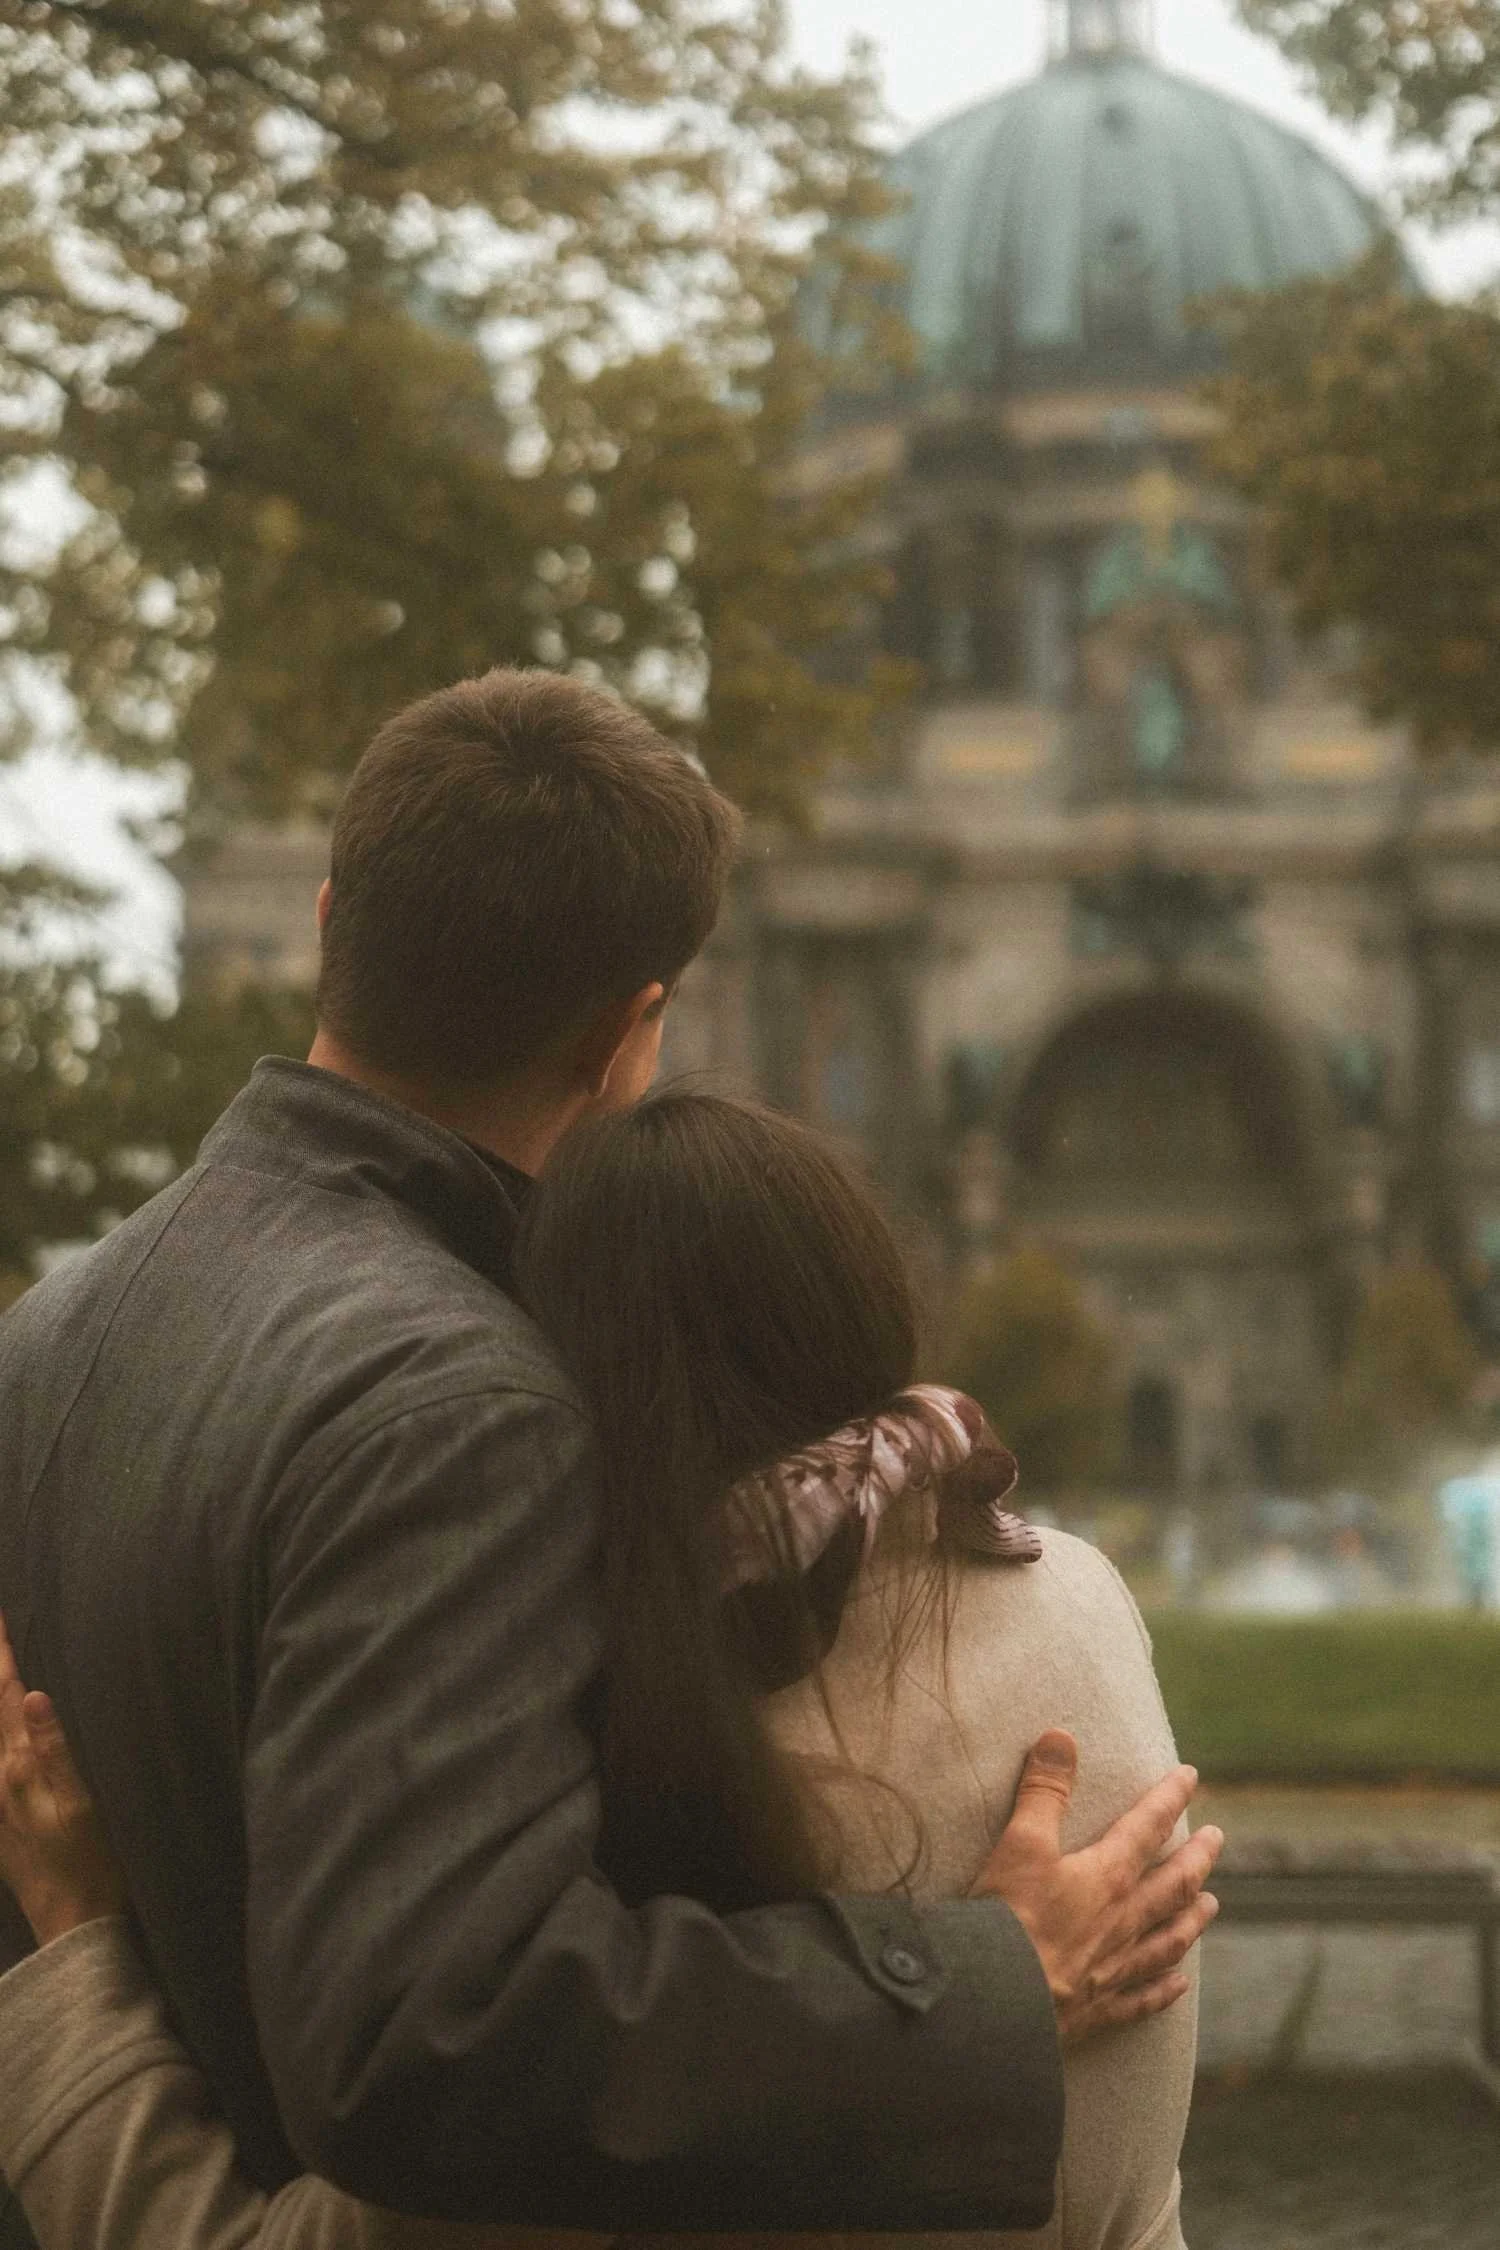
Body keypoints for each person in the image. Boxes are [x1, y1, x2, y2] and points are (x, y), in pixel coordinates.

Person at [0, 669, 1219, 2240]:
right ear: (627, 1032)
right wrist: (974, 1983)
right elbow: (439, 2031)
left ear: (328, 921)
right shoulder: (460, 1398)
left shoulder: (48, 1336)